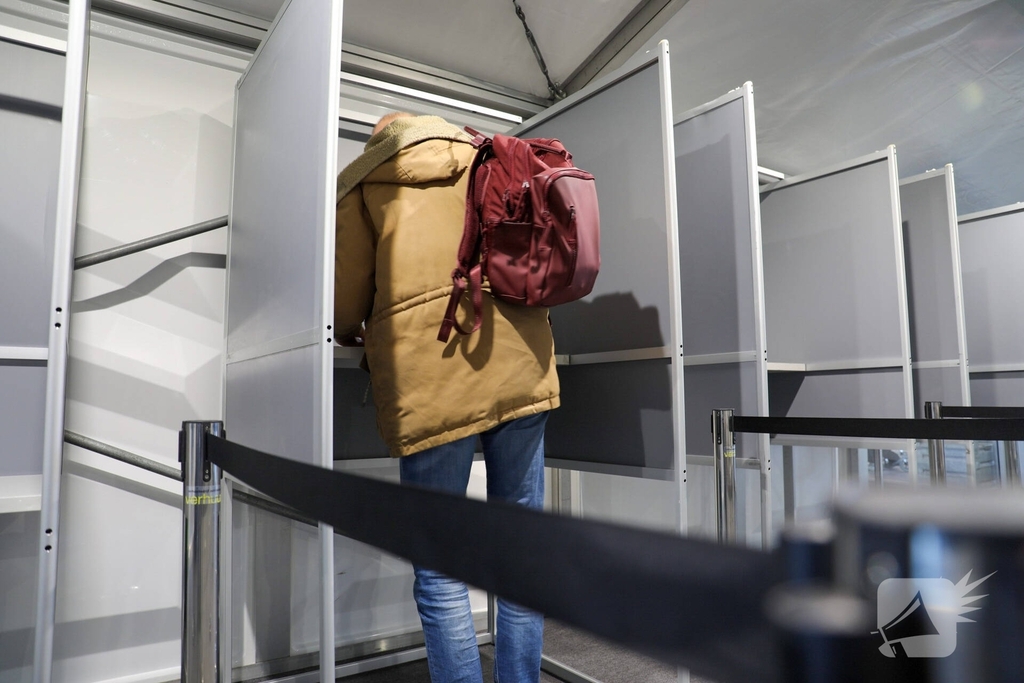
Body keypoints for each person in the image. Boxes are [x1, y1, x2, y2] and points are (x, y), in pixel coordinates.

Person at [334, 112, 560, 683]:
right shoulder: (489, 157)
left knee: (440, 564)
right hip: (519, 362)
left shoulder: (367, 180)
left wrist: (350, 329)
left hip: (430, 371)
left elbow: (345, 294)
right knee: (522, 552)